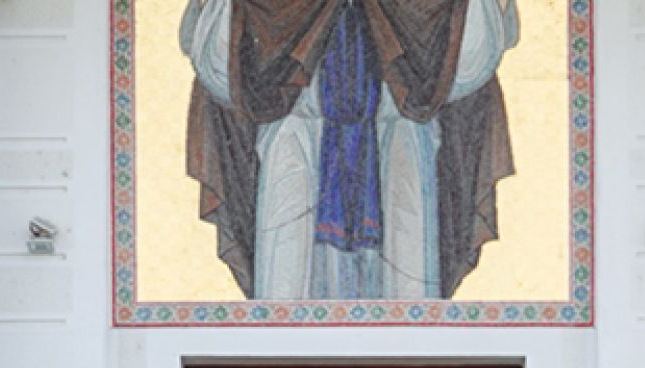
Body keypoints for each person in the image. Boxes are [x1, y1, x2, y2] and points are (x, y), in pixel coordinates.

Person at [179, 0, 518, 301]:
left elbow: (470, 63)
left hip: (398, 144)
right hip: (297, 143)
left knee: (407, 294)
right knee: (287, 292)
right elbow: (221, 68)